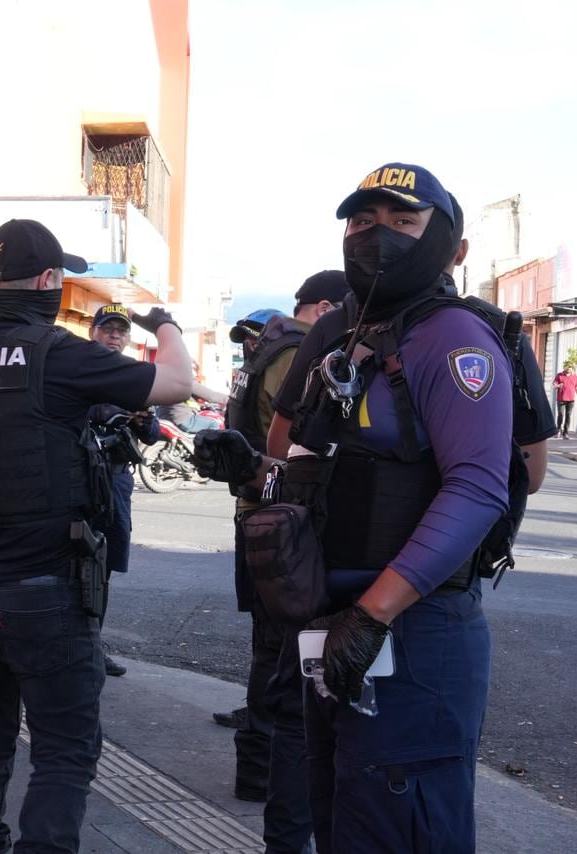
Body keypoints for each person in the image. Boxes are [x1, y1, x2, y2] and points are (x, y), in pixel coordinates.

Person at [264, 162, 555, 852]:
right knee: (341, 815)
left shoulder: (454, 337)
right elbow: (284, 453)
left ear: (449, 244)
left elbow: (487, 486)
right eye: (363, 221)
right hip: (324, 620)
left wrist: (372, 616)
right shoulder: (331, 330)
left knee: (403, 819)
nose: (377, 236)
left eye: (403, 221)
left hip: (414, 628)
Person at [0, 218, 193, 852]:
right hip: (42, 596)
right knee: (65, 748)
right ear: (51, 280)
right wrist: (163, 322)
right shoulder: (57, 353)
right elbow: (177, 383)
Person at [215, 272, 350, 854]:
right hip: (286, 521)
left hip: (258, 515)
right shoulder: (300, 351)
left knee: (271, 651)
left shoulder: (264, 346)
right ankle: (261, 772)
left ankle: (257, 771)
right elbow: (289, 449)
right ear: (323, 307)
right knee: (285, 661)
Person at [87, 303, 161, 677]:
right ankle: (75, 646)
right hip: (80, 478)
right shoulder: (77, 366)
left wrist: (143, 418)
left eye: (121, 331)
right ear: (93, 331)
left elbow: (152, 433)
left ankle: (93, 647)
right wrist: (104, 414)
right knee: (74, 561)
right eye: (107, 329)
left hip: (116, 480)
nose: (114, 336)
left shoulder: (135, 375)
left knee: (106, 565)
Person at [552, 362, 577, 439]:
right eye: (567, 367)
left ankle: (566, 433)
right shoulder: (559, 375)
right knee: (561, 414)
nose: (568, 368)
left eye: (570, 367)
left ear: (572, 368)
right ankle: (558, 431)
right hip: (561, 399)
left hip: (571, 400)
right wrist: (558, 385)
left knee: (568, 416)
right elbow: (554, 385)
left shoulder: (574, 376)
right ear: (564, 367)